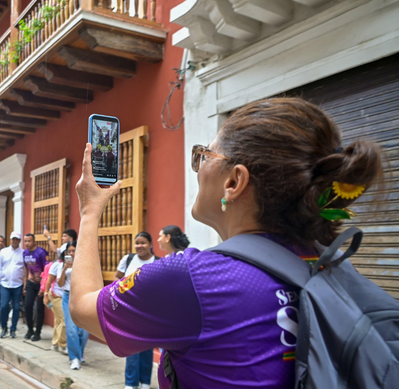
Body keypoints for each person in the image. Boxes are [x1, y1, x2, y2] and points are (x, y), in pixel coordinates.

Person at [71, 98, 386, 388]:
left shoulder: (194, 278)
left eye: (204, 156)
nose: (197, 169)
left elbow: (83, 308)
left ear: (234, 182)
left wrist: (89, 210)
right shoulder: (330, 269)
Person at [113, 232, 158, 389]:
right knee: (131, 346)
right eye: (137, 243)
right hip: (129, 310)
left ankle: (145, 382)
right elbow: (117, 278)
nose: (139, 246)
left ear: (151, 244)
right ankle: (131, 384)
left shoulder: (158, 262)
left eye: (143, 243)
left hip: (150, 313)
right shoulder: (128, 259)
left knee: (147, 348)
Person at [56, 241, 86, 370]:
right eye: (69, 251)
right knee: (71, 329)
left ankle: (79, 353)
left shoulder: (84, 264)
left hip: (82, 296)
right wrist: (64, 269)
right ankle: (74, 358)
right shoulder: (62, 265)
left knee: (85, 330)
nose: (72, 253)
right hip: (68, 296)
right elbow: (60, 284)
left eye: (74, 251)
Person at [0, 232, 24, 339]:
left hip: (18, 284)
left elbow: (25, 269)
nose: (15, 241)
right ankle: (4, 327)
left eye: (17, 239)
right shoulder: (4, 252)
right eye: (13, 239)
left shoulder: (23, 253)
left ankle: (13, 329)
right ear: (10, 239)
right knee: (4, 306)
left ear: (20, 240)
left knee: (16, 307)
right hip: (5, 283)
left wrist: (24, 285)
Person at [22, 234, 48, 341]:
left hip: (41, 284)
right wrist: (25, 285)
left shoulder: (41, 252)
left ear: (34, 242)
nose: (27, 243)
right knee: (27, 306)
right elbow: (26, 269)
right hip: (30, 283)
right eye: (25, 241)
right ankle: (30, 329)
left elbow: (46, 269)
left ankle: (38, 332)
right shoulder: (25, 253)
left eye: (29, 241)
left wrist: (44, 287)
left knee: (40, 308)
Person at [42, 248, 66, 354]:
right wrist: (46, 295)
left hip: (66, 296)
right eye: (68, 251)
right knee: (64, 319)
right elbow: (49, 281)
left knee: (58, 320)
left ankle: (55, 343)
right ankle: (63, 345)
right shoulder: (57, 265)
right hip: (56, 296)